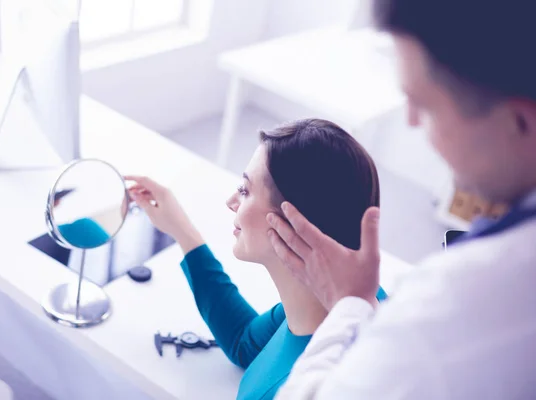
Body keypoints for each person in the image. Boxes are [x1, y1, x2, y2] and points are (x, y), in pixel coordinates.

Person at [270, 1, 536, 399]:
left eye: (424, 105)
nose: (411, 121)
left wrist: (350, 304)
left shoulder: (454, 306)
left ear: (520, 122)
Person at [125, 119, 387, 399]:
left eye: (245, 191)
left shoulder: (307, 386)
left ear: (295, 223)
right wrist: (182, 231)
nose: (231, 201)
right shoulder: (354, 298)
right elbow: (244, 343)